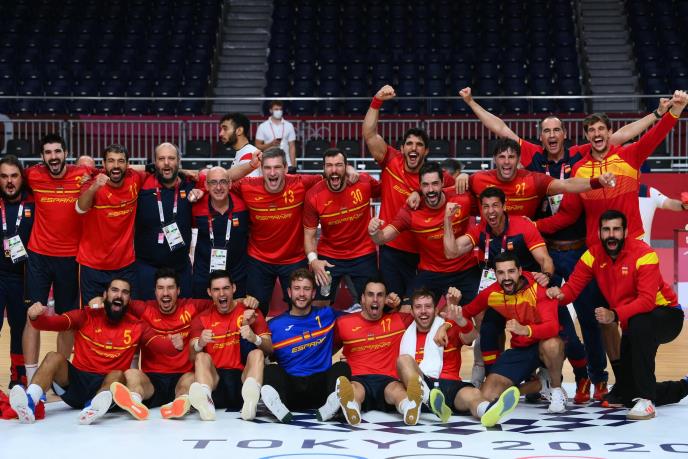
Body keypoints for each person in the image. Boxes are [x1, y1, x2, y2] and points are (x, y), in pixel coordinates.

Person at [547, 210, 688, 419]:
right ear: (599, 233)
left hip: (666, 315)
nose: (611, 235)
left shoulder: (644, 254)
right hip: (634, 321)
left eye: (616, 229)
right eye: (606, 230)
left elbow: (646, 301)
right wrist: (558, 294)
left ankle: (647, 401)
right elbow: (572, 288)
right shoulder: (592, 255)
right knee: (629, 393)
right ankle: (682, 386)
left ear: (625, 232)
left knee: (639, 324)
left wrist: (613, 314)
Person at [9, 278, 177, 424]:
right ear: (104, 295)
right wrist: (34, 317)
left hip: (107, 386)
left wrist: (176, 343)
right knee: (53, 357)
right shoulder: (86, 315)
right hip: (77, 384)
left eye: (125, 292)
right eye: (114, 290)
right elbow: (50, 323)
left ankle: (93, 408)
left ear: (129, 300)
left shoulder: (137, 326)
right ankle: (28, 403)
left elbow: (162, 347)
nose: (119, 295)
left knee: (118, 374)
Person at [362, 84, 458, 300]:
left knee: (420, 305)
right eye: (409, 144)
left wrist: (460, 178)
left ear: (426, 150)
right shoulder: (390, 161)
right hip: (392, 249)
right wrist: (377, 101)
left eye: (419, 145)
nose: (413, 148)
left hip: (423, 252)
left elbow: (461, 189)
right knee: (394, 303)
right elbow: (369, 134)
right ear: (402, 148)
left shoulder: (436, 176)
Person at [22, 134, 97, 386]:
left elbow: (115, 170)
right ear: (42, 157)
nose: (53, 157)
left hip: (71, 259)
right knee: (33, 316)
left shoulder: (82, 173)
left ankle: (59, 380)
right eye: (48, 152)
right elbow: (8, 177)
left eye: (57, 151)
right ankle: (32, 380)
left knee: (67, 321)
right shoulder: (33, 175)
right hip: (39, 256)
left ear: (66, 153)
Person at [456, 251, 567, 414]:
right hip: (520, 350)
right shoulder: (491, 293)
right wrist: (447, 324)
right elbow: (465, 312)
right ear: (495, 274)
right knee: (488, 396)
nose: (506, 278)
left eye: (511, 271)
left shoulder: (538, 287)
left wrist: (525, 330)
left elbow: (552, 327)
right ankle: (540, 385)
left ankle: (556, 388)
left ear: (520, 271)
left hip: (543, 344)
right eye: (501, 273)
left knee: (552, 344)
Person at [368, 161, 480, 304]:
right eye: (426, 185)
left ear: (443, 183)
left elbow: (489, 202)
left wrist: (466, 177)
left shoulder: (462, 198)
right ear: (420, 187)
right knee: (408, 311)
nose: (431, 189)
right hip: (431, 273)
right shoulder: (411, 211)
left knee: (479, 311)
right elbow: (382, 238)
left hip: (465, 270)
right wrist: (374, 232)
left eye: (435, 184)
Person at [231, 147, 323, 316]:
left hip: (294, 259)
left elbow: (330, 177)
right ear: (261, 169)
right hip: (259, 260)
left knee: (300, 309)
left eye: (277, 167)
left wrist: (348, 169)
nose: (272, 173)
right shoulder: (247, 186)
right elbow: (221, 180)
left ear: (286, 168)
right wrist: (250, 166)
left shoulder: (300, 182)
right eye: (267, 168)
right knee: (255, 311)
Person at [260, 268, 352, 423]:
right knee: (270, 370)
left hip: (321, 390)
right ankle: (278, 405)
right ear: (289, 292)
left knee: (342, 367)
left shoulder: (327, 314)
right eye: (297, 288)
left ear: (314, 293)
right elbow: (262, 354)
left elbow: (360, 319)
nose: (301, 294)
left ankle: (333, 403)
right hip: (290, 391)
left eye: (306, 289)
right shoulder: (274, 325)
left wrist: (390, 306)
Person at [334, 276, 425, 426]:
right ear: (362, 298)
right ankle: (351, 407)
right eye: (370, 294)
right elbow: (328, 349)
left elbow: (427, 317)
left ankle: (410, 407)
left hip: (388, 379)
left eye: (380, 295)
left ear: (385, 300)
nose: (375, 299)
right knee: (354, 390)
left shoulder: (399, 320)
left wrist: (444, 326)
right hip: (358, 378)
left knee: (397, 391)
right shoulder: (344, 323)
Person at [184, 270, 272, 421]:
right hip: (215, 383)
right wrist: (200, 343)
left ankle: (250, 403)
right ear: (209, 292)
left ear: (234, 288)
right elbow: (192, 357)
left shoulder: (250, 312)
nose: (222, 294)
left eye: (226, 288)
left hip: (243, 382)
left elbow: (269, 349)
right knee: (201, 357)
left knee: (257, 354)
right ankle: (206, 402)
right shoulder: (201, 319)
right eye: (216, 289)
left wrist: (254, 338)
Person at [303, 148, 380, 304]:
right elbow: (309, 236)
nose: (334, 170)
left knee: (372, 304)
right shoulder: (313, 195)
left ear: (346, 166)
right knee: (319, 305)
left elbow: (389, 194)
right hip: (329, 257)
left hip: (363, 254)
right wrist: (313, 261)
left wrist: (381, 221)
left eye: (338, 165)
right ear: (323, 169)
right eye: (329, 165)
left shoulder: (364, 182)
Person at [76, 144, 145, 304]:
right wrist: (95, 186)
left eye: (121, 161)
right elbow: (80, 208)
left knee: (125, 313)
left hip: (124, 265)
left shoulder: (135, 179)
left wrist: (186, 172)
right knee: (93, 313)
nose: (116, 166)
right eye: (111, 161)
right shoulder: (91, 183)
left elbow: (155, 169)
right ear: (103, 163)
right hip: (92, 265)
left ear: (128, 164)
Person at [398, 287, 477, 423]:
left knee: (474, 394)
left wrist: (460, 320)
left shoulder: (448, 327)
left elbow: (472, 336)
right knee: (403, 360)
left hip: (450, 387)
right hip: (421, 386)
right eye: (418, 307)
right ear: (411, 311)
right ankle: (430, 400)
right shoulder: (404, 331)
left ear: (436, 311)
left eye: (428, 306)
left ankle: (487, 410)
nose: (423, 311)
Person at [0, 155, 34, 387]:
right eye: (4, 176)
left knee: (19, 328)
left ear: (22, 177)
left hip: (22, 277)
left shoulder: (34, 203)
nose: (9, 181)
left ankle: (18, 376)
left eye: (14, 176)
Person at [191, 166, 249, 298]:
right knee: (203, 310)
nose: (218, 187)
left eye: (223, 182)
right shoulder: (196, 206)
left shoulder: (243, 205)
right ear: (206, 185)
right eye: (213, 182)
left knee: (237, 310)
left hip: (237, 275)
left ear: (230, 184)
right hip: (204, 274)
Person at [255, 100, 297, 171]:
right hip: (269, 163)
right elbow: (257, 146)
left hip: (287, 163)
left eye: (280, 109)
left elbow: (292, 146)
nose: (279, 111)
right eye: (276, 109)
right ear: (271, 110)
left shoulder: (289, 125)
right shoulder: (262, 126)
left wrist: (293, 165)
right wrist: (270, 144)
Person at [221, 112, 261, 178]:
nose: (221, 134)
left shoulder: (249, 154)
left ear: (239, 131)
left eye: (225, 129)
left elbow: (249, 184)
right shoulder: (243, 151)